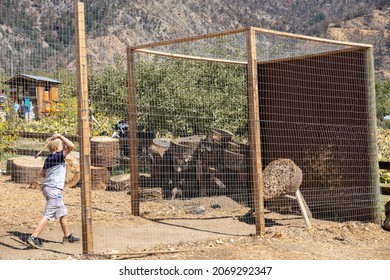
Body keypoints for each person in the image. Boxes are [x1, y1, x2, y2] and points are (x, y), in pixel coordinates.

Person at [27, 133, 80, 248]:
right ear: (57, 148)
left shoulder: (48, 159)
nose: (63, 147)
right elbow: (71, 146)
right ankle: (33, 237)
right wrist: (60, 136)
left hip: (48, 188)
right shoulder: (58, 156)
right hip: (54, 190)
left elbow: (42, 174)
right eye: (61, 145)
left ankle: (67, 236)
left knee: (62, 212)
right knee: (48, 214)